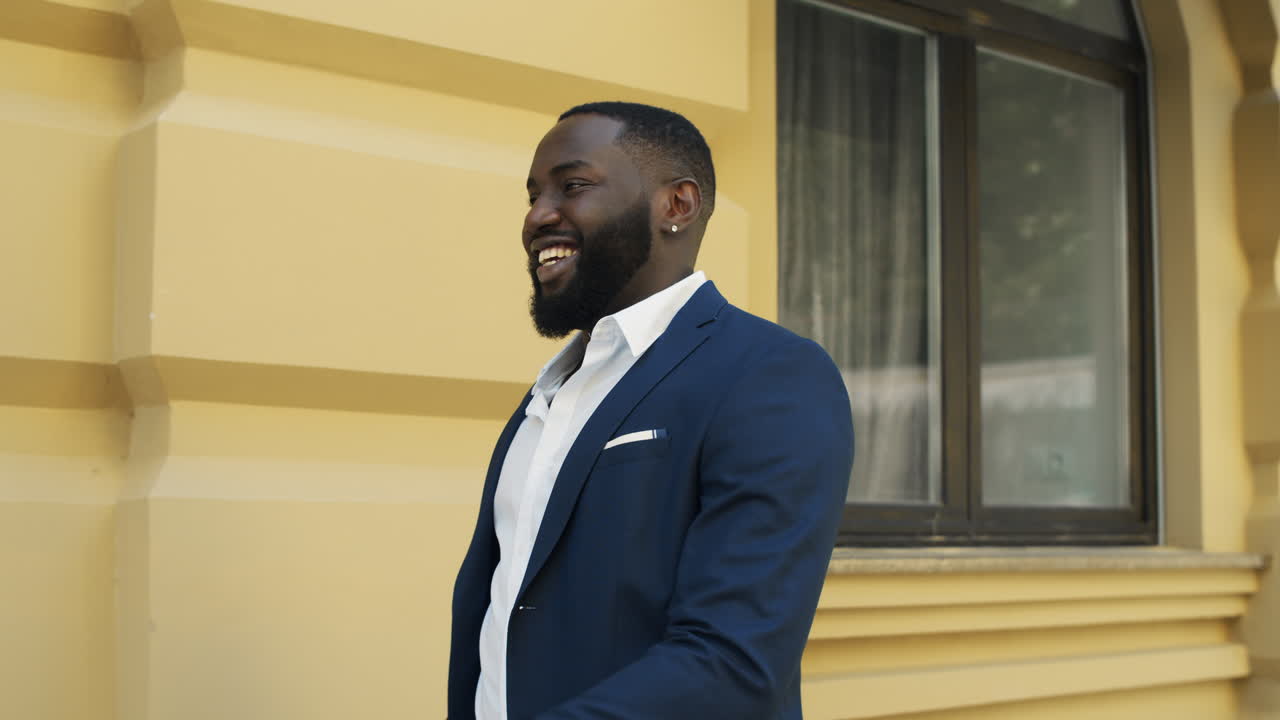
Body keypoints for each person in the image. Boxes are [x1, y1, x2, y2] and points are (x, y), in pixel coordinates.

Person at [448, 101, 855, 720]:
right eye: (532, 196)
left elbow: (734, 661)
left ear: (677, 205)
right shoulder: (550, 393)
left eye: (572, 186)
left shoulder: (770, 373)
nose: (537, 217)